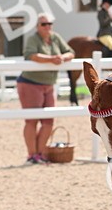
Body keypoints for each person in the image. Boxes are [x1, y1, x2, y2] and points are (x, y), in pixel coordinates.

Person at [18, 14, 74, 164]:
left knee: (49, 121)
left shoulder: (55, 38)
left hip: (49, 84)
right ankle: (32, 154)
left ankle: (41, 153)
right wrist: (52, 59)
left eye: (49, 23)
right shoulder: (33, 39)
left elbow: (70, 52)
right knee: (32, 120)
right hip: (30, 83)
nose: (47, 26)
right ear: (37, 26)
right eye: (44, 24)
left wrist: (62, 57)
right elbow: (31, 55)